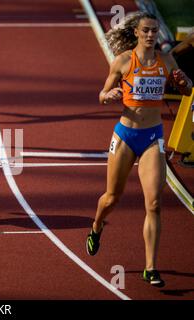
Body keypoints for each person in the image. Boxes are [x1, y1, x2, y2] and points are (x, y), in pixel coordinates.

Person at [85, 12, 192, 287]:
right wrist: (108, 96)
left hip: (153, 136)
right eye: (145, 30)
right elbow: (101, 94)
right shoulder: (123, 61)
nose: (150, 35)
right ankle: (96, 227)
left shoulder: (166, 61)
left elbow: (187, 88)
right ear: (136, 32)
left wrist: (185, 85)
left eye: (154, 31)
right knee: (111, 197)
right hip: (125, 136)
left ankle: (150, 268)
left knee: (154, 203)